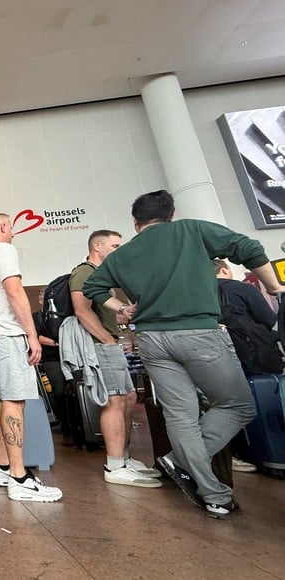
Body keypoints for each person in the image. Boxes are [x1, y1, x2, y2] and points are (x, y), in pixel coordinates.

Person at [83, 189, 283, 518]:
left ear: (136, 223)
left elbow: (93, 287)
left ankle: (214, 495)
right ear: (170, 214)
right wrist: (274, 287)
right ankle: (183, 462)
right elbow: (249, 247)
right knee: (238, 404)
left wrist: (123, 308)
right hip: (199, 334)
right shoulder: (191, 230)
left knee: (181, 416)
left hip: (151, 339)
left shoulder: (123, 255)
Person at [0, 213, 63, 502]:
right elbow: (15, 291)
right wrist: (32, 335)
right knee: (14, 400)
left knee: (2, 397)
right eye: (12, 229)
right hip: (5, 333)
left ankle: (3, 466)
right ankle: (20, 477)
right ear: (5, 227)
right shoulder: (4, 250)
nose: (14, 235)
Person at [68, 230, 161, 488]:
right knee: (115, 400)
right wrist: (108, 341)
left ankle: (125, 457)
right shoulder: (85, 272)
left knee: (129, 398)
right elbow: (82, 311)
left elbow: (107, 315)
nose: (119, 249)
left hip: (110, 343)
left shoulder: (103, 276)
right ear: (97, 246)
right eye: (114, 245)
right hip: (101, 345)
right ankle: (115, 464)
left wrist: (124, 313)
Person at [213, 258, 276, 473]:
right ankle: (269, 451)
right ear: (225, 269)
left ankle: (238, 452)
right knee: (261, 397)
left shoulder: (198, 294)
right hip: (255, 355)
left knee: (227, 403)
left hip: (218, 359)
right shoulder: (240, 288)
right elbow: (267, 318)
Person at [31, 289, 71, 446]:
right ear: (41, 301)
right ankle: (65, 428)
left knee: (72, 392)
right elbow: (37, 337)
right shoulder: (36, 318)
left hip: (68, 357)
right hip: (50, 359)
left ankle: (77, 428)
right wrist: (58, 343)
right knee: (59, 392)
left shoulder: (62, 315)